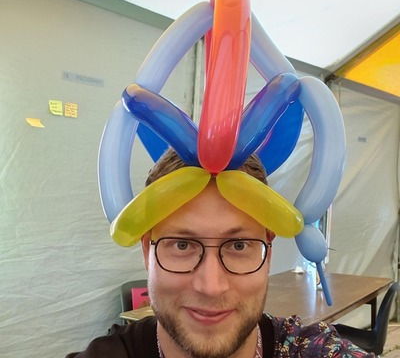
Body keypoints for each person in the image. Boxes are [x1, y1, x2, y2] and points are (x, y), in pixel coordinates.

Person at [67, 148, 374, 358]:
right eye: (182, 245)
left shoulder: (309, 349)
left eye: (239, 245)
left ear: (268, 253)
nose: (211, 286)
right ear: (147, 252)